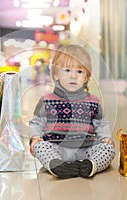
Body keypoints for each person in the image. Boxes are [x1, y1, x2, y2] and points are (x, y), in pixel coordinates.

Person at [29, 44, 115, 179]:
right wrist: (35, 137)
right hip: (57, 147)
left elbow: (101, 123)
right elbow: (37, 122)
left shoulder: (93, 101)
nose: (73, 76)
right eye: (67, 70)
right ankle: (57, 165)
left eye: (80, 72)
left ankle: (91, 165)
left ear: (87, 77)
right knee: (40, 146)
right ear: (56, 74)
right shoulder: (47, 101)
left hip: (86, 149)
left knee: (108, 148)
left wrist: (105, 137)